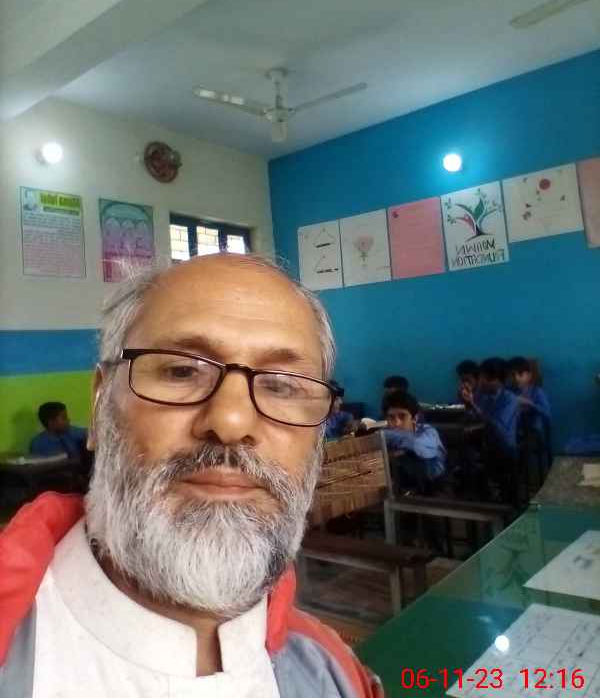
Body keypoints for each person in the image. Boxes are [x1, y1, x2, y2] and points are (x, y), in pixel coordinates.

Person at [0, 254, 383, 698]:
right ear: (101, 406)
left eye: (281, 385)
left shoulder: (334, 672)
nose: (231, 421)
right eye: (182, 371)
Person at [460, 357, 520, 501]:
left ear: (498, 381)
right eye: (481, 377)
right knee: (463, 446)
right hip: (487, 444)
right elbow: (476, 418)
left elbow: (496, 425)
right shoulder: (484, 397)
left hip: (504, 446)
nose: (481, 382)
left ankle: (501, 499)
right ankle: (480, 495)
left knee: (476, 455)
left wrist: (473, 405)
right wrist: (467, 405)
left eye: (485, 378)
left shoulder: (510, 399)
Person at [382, 390, 446, 494]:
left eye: (402, 416)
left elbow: (418, 446)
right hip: (404, 491)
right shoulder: (388, 434)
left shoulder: (429, 432)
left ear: (415, 418)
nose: (397, 423)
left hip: (434, 492)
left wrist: (383, 435)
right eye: (391, 417)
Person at [508, 356, 551, 435]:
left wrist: (529, 403)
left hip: (533, 430)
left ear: (529, 375)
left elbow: (546, 413)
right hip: (515, 430)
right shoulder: (509, 391)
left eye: (520, 374)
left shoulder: (536, 391)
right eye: (512, 375)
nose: (516, 378)